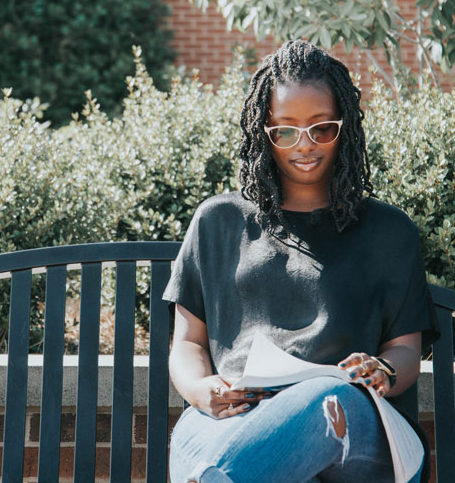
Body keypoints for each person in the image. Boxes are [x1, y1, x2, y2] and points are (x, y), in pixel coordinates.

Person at [162, 40, 439, 483]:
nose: (303, 145)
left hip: (353, 421)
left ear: (343, 128)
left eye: (321, 128)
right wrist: (200, 390)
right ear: (263, 134)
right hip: (232, 416)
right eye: (285, 131)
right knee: (208, 459)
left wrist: (381, 370)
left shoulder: (388, 231)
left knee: (323, 399)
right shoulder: (217, 222)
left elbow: (406, 350)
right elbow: (189, 343)